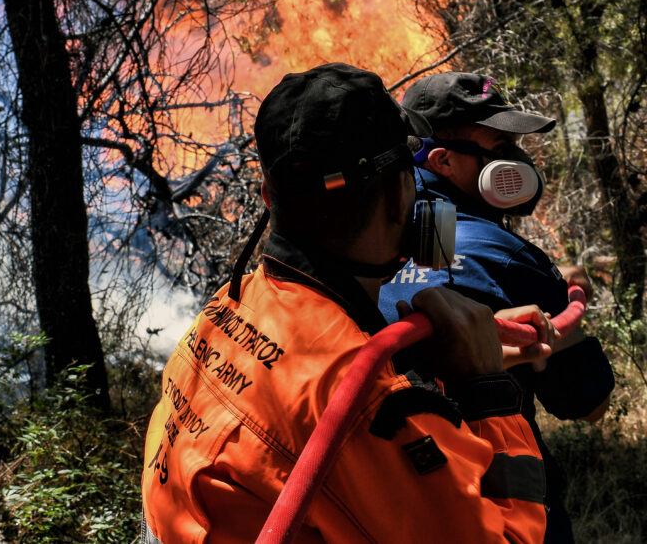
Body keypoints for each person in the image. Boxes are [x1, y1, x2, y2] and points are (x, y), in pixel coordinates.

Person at [141, 63, 550, 544]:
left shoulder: (227, 307)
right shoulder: (372, 410)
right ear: (402, 195)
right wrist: (488, 393)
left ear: (268, 196)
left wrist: (459, 353)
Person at [379, 71, 615, 543]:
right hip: (506, 510)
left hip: (396, 503)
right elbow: (590, 404)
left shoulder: (372, 235)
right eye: (500, 147)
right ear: (443, 159)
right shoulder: (503, 256)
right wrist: (560, 297)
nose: (518, 161)